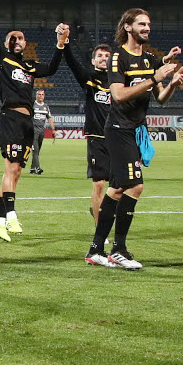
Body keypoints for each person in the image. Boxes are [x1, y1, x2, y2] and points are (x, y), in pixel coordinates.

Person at [85, 11, 183, 270]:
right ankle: (118, 249)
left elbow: (160, 99)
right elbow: (118, 95)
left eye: (149, 24)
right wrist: (155, 78)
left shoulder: (150, 59)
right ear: (128, 27)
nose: (147, 27)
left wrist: (171, 84)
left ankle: (96, 249)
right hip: (119, 129)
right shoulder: (118, 57)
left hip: (137, 130)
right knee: (135, 186)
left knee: (117, 189)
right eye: (142, 23)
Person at [0, 0, 63, 240]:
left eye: (21, 37)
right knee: (10, 168)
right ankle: (12, 215)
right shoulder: (1, 59)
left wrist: (60, 44)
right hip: (11, 118)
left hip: (27, 123)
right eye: (12, 38)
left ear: (26, 43)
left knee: (16, 171)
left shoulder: (29, 66)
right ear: (7, 43)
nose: (17, 40)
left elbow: (52, 68)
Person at [59, 37, 115, 227]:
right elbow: (72, 64)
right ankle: (100, 230)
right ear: (93, 60)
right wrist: (65, 43)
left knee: (118, 187)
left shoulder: (118, 81)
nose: (103, 58)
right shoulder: (89, 78)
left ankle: (99, 209)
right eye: (100, 55)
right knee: (99, 184)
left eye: (107, 56)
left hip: (117, 139)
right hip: (96, 138)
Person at [28, 90, 53, 175]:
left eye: (42, 94)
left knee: (37, 151)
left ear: (44, 96)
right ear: (36, 95)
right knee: (35, 150)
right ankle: (38, 168)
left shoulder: (46, 107)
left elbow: (49, 118)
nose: (41, 96)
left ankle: (32, 168)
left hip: (42, 130)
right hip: (33, 130)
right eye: (39, 94)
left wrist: (53, 129)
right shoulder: (32, 105)